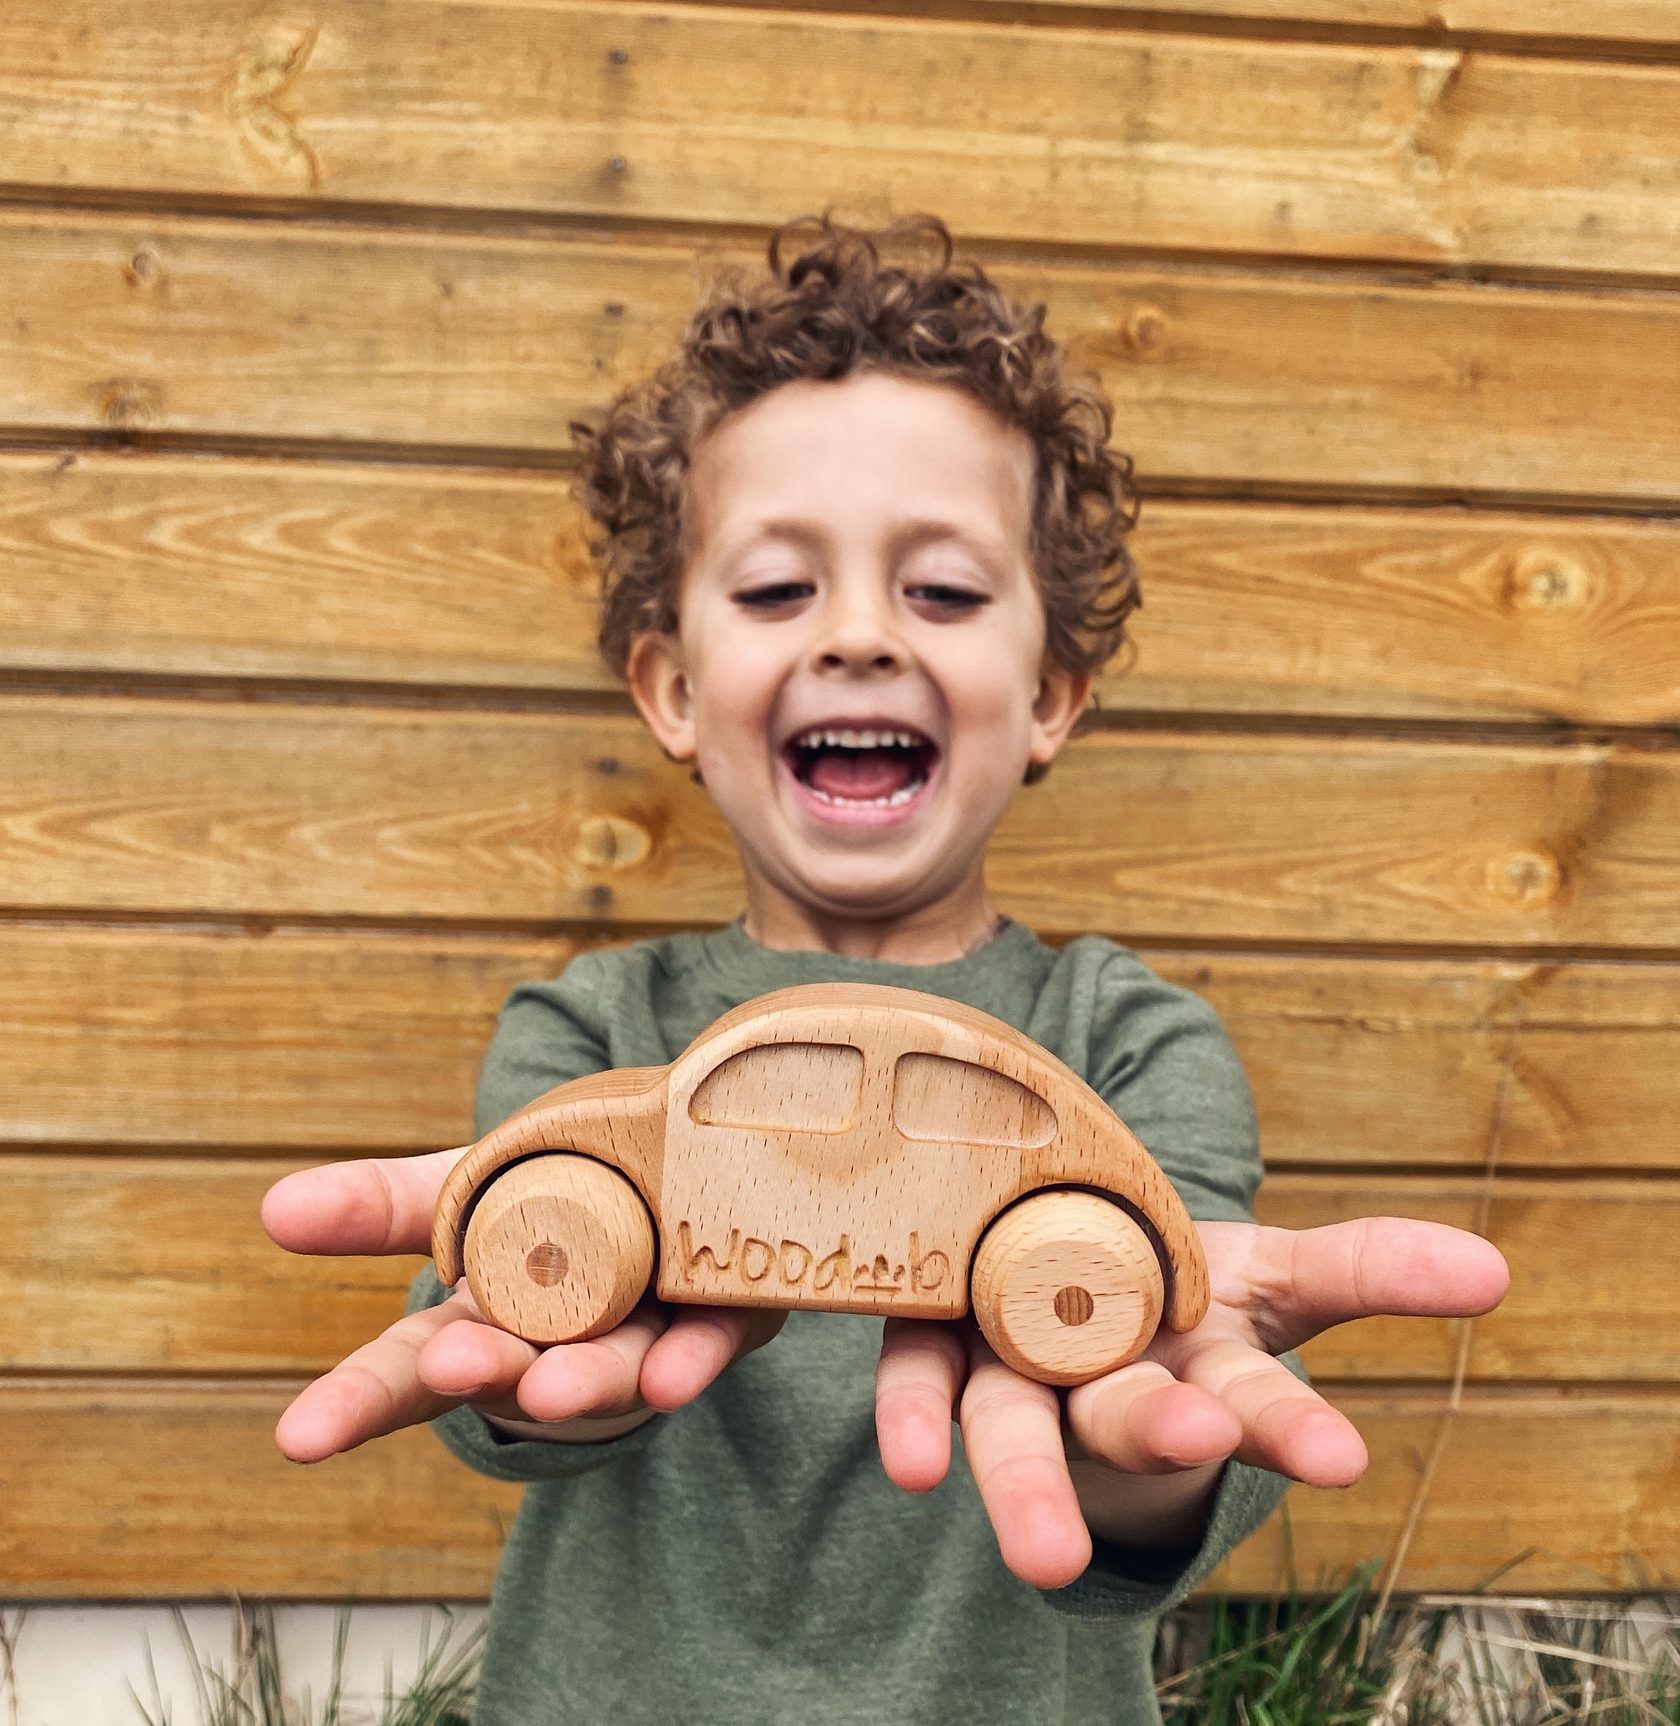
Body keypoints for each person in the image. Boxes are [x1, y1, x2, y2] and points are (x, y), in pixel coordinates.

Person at [262, 213, 1509, 1725]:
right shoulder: (595, 1029)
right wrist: (525, 1347)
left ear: (1048, 695)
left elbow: (1168, 1412)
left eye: (944, 591)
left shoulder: (1125, 1038)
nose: (858, 635)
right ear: (671, 688)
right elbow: (506, 1382)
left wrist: (1143, 1436)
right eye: (781, 589)